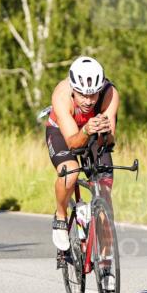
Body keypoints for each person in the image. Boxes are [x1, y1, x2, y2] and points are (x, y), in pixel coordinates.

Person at [43, 57, 120, 273]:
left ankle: (105, 260)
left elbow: (110, 141)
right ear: (73, 90)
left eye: (93, 94)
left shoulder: (110, 94)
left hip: (94, 131)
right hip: (63, 132)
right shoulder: (61, 95)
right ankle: (60, 215)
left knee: (104, 190)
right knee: (71, 173)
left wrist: (104, 132)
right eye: (83, 95)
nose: (88, 100)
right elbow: (73, 142)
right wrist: (86, 129)